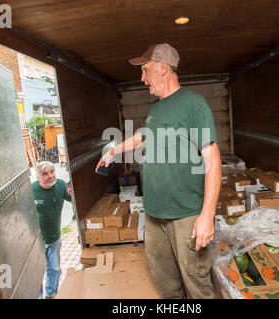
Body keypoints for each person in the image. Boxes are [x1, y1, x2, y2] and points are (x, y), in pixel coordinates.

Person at [96, 43, 222, 298]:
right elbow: (144, 136)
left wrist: (207, 215)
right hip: (154, 214)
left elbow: (213, 160)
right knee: (167, 283)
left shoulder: (193, 103)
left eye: (145, 70)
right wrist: (113, 150)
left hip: (186, 213)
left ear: (163, 68)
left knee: (198, 284)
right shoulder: (156, 108)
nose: (142, 78)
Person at [33, 161, 72, 299]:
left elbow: (72, 198)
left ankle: (50, 294)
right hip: (36, 241)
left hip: (54, 237)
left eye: (52, 172)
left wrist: (74, 191)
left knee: (55, 269)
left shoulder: (60, 185)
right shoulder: (31, 190)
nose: (50, 176)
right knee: (36, 274)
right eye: (45, 174)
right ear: (38, 177)